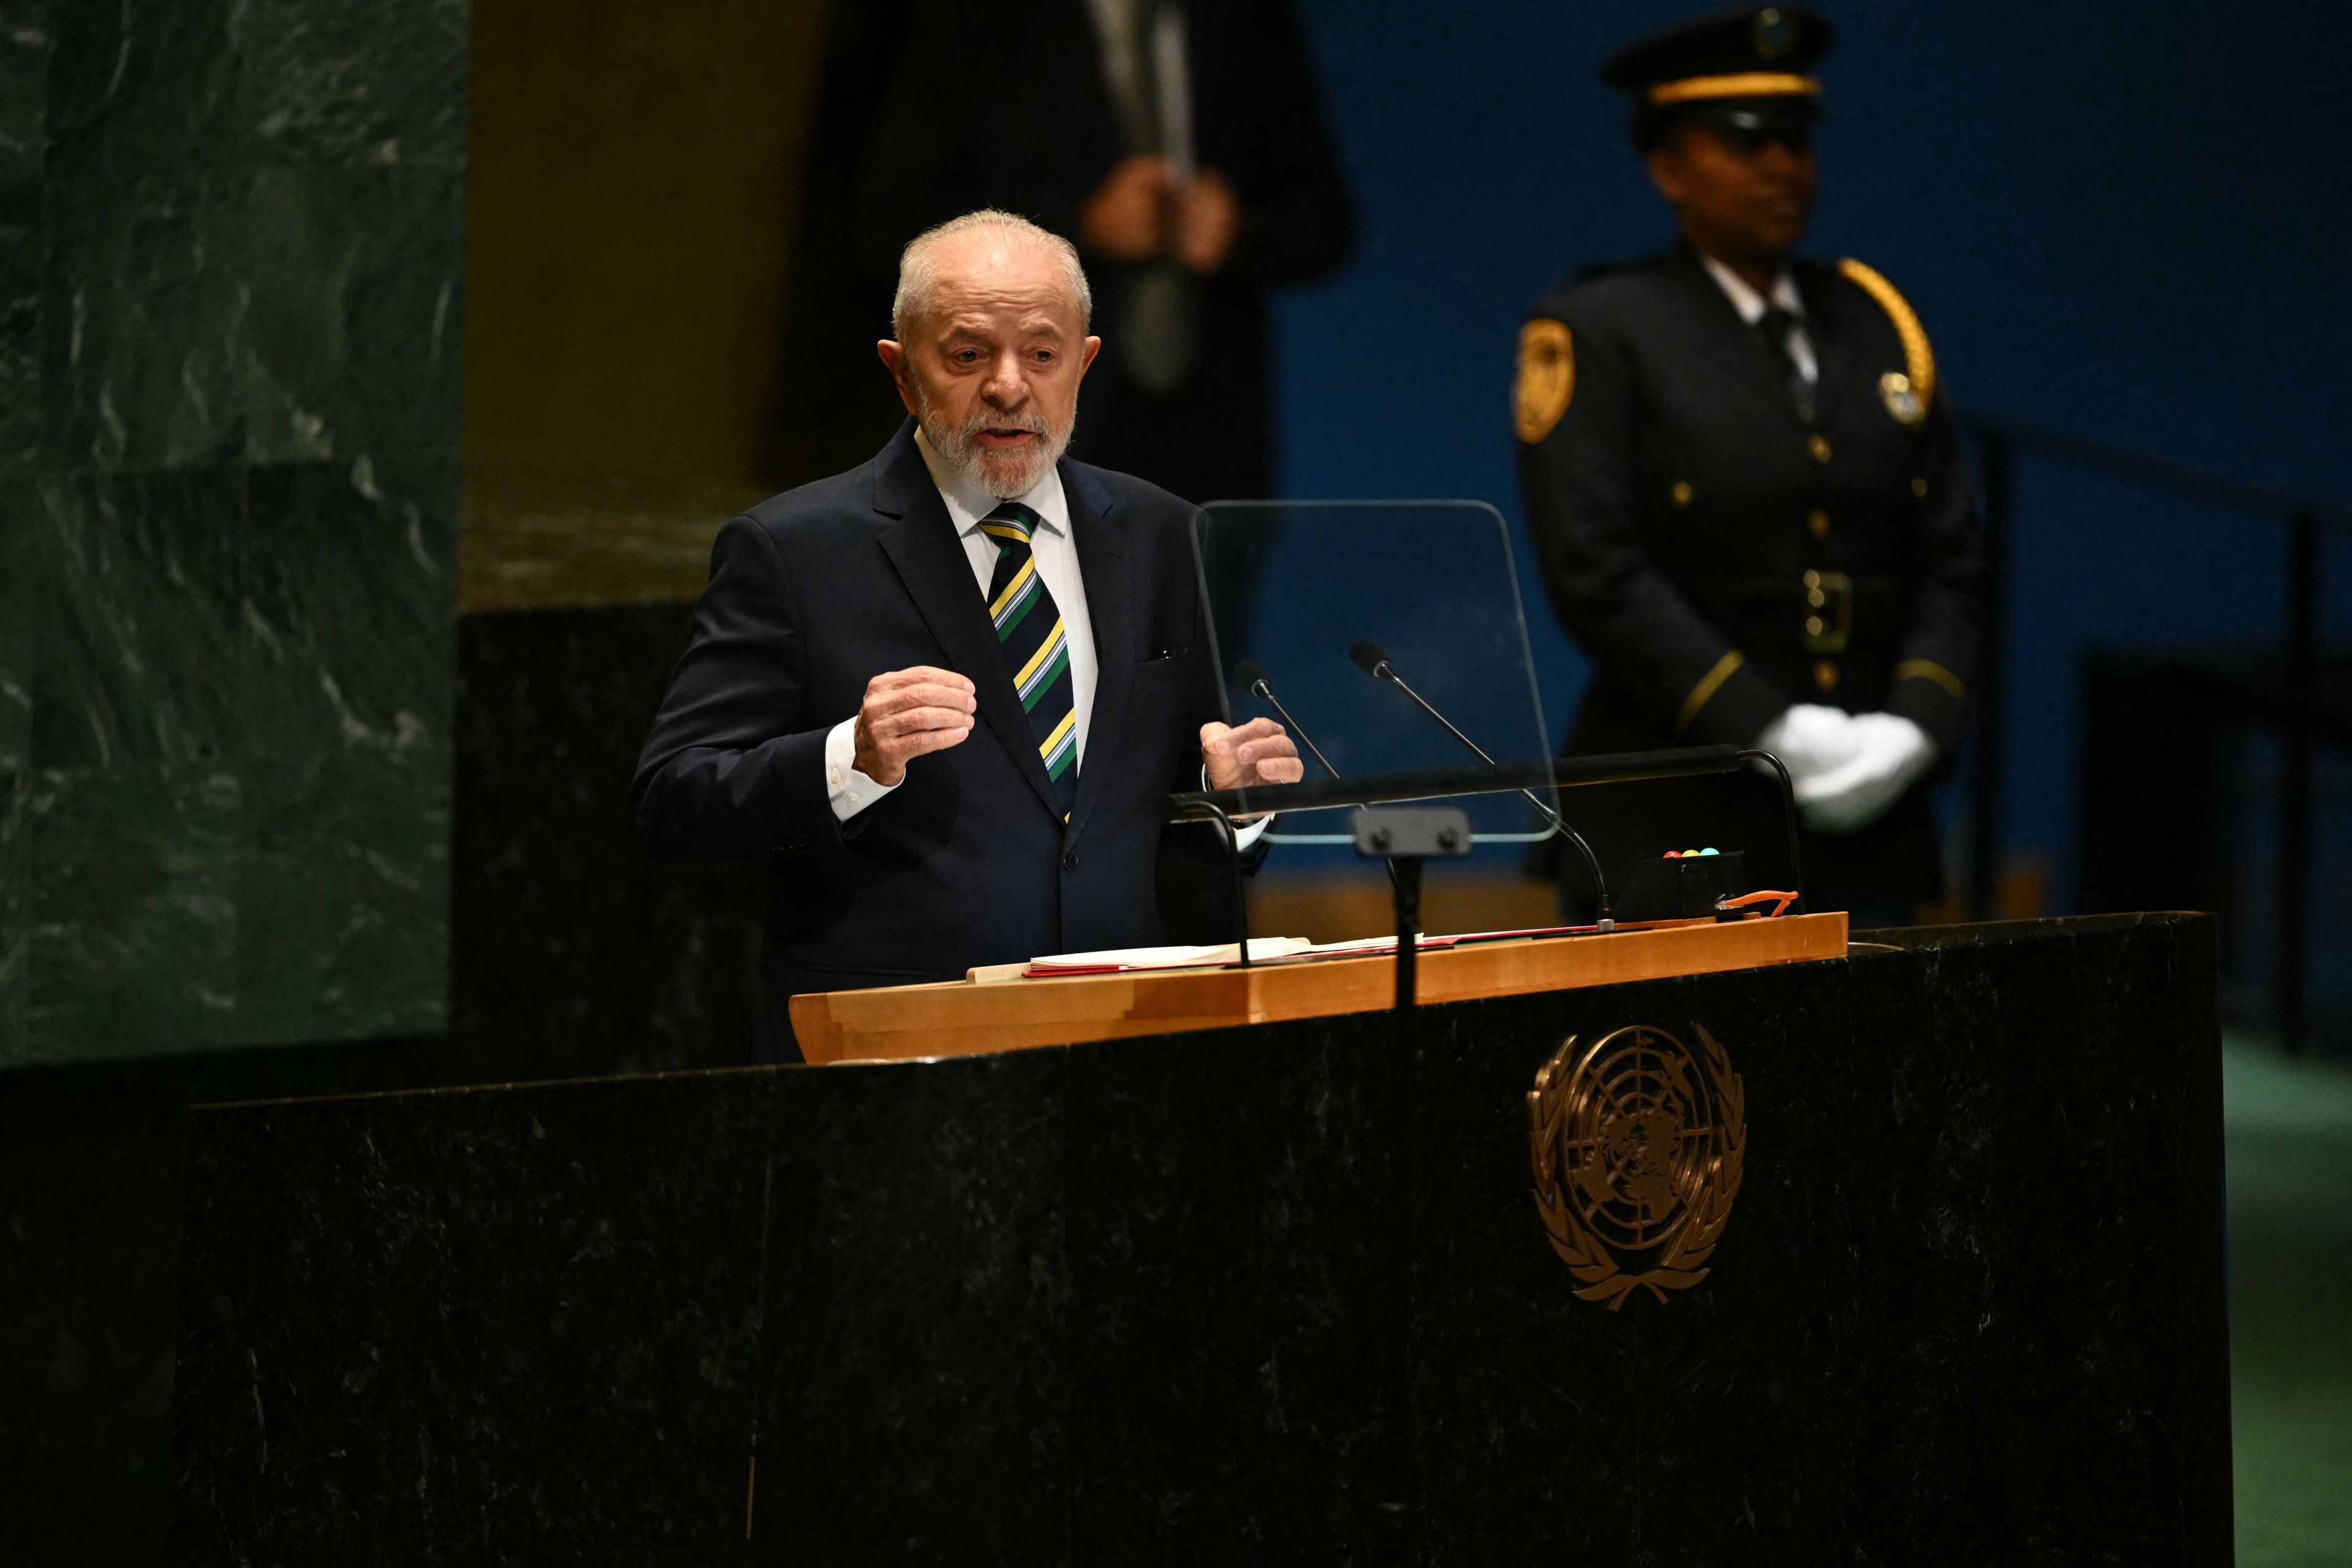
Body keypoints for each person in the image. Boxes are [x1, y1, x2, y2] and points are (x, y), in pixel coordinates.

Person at [635, 212, 1302, 1060]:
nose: (1009, 387)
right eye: (966, 355)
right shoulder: (794, 551)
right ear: (902, 372)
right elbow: (673, 802)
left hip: (1124, 1053)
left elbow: (1157, 809)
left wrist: (1235, 806)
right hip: (893, 1066)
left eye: (1042, 353)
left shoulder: (1161, 533)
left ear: (1085, 365)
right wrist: (852, 759)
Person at [1517, 5, 1983, 922]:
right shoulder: (1604, 329)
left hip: (1870, 803)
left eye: (1798, 140)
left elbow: (1952, 554)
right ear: (1668, 167)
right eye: (1746, 143)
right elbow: (1594, 567)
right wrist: (1769, 727)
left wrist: (1914, 728)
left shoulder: (1874, 320)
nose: (1784, 167)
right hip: (1675, 788)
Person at [848, 0, 1357, 505]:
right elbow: (896, 219)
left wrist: (1240, 233)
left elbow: (1324, 222)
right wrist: (1073, 227)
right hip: (1015, 430)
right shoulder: (977, 17)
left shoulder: (1243, 17)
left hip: (1209, 444)